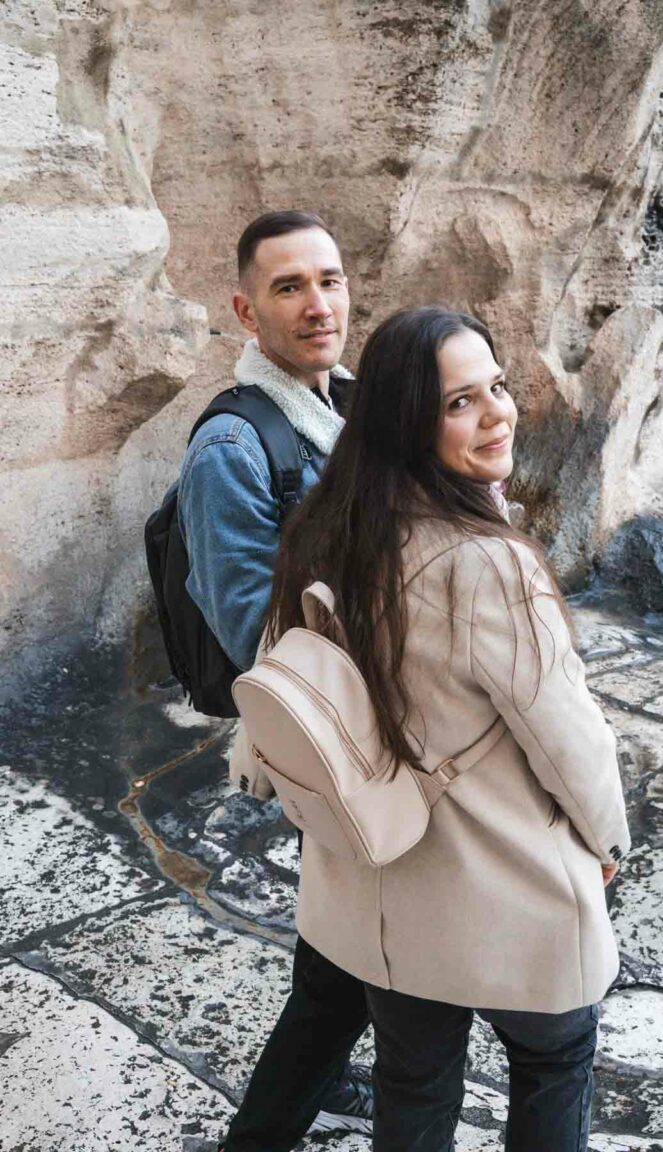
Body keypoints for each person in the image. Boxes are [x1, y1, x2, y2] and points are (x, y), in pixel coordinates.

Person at [257, 305, 632, 1151]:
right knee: (554, 1063)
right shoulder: (487, 565)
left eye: (496, 386)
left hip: (386, 895)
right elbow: (570, 741)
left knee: (415, 1085)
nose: (499, 411)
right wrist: (609, 841)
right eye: (460, 402)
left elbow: (276, 667)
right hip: (506, 889)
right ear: (405, 422)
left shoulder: (330, 528)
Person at [177, 210, 373, 1148]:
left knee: (348, 944)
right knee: (349, 962)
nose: (316, 304)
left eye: (328, 281)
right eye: (288, 287)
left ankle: (325, 1079)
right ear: (246, 311)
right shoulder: (231, 446)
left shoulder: (352, 403)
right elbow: (253, 627)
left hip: (386, 717)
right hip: (333, 731)